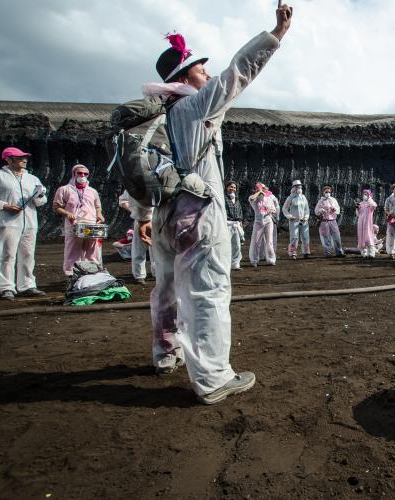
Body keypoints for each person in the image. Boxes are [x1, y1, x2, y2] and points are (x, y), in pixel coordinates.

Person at [139, 2, 293, 403]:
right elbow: (236, 74)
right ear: (184, 75)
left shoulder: (156, 118)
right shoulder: (194, 106)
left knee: (167, 289)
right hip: (198, 216)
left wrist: (140, 215)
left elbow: (141, 167)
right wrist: (274, 36)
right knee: (208, 292)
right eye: (199, 68)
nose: (206, 72)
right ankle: (212, 379)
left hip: (163, 217)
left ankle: (165, 353)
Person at [0, 147, 48, 300]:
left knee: (28, 254)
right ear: (8, 159)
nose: (24, 160)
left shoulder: (32, 179)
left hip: (29, 221)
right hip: (6, 221)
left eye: (24, 157)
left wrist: (41, 195)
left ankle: (27, 285)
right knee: (6, 254)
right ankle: (6, 287)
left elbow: (41, 202)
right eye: (19, 158)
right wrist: (3, 205)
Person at [53, 164, 104, 276]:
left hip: (91, 223)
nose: (82, 175)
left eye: (85, 174)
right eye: (79, 173)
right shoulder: (64, 189)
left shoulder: (92, 191)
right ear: (73, 174)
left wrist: (99, 215)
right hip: (74, 223)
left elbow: (97, 206)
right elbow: (56, 207)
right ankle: (71, 274)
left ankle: (93, 273)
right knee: (73, 250)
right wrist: (67, 213)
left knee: (92, 250)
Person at [118, 190, 153, 283]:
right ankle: (139, 275)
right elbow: (123, 200)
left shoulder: (161, 180)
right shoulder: (136, 182)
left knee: (156, 247)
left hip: (157, 218)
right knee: (139, 247)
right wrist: (135, 212)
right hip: (141, 218)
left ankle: (157, 273)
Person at [248, 182, 279, 267]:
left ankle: (271, 259)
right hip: (258, 221)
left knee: (269, 241)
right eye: (261, 188)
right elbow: (252, 199)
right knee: (256, 240)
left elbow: (274, 209)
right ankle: (254, 260)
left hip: (268, 221)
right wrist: (259, 191)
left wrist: (271, 211)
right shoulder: (253, 198)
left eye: (264, 188)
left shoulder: (268, 198)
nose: (263, 190)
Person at [282, 179, 310, 259]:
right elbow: (284, 209)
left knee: (305, 236)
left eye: (300, 187)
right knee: (294, 236)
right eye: (297, 187)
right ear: (294, 188)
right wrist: (290, 216)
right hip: (294, 220)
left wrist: (306, 217)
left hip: (303, 220)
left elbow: (306, 209)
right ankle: (293, 252)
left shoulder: (303, 198)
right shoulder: (290, 198)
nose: (299, 188)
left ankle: (306, 252)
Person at [315, 185, 345, 257]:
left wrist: (335, 210)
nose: (327, 192)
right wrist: (321, 210)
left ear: (330, 192)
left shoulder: (333, 200)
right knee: (326, 237)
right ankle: (328, 253)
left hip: (333, 220)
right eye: (326, 191)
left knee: (337, 236)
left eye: (329, 191)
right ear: (323, 192)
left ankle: (339, 252)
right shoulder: (321, 201)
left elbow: (338, 209)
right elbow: (316, 211)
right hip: (324, 221)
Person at [225, 181, 245, 270]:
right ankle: (225, 264)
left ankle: (235, 264)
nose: (232, 189)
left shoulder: (236, 199)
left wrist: (240, 224)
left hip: (236, 225)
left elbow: (240, 212)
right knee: (226, 245)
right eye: (231, 187)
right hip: (226, 224)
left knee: (237, 245)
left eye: (234, 187)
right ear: (226, 188)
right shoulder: (223, 198)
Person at [356, 188, 378, 258]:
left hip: (368, 223)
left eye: (366, 194)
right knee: (361, 237)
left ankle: (371, 252)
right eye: (364, 194)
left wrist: (370, 200)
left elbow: (375, 206)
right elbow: (357, 214)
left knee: (368, 236)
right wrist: (356, 208)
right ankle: (364, 252)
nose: (364, 195)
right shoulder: (360, 204)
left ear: (369, 195)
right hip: (360, 223)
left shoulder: (371, 203)